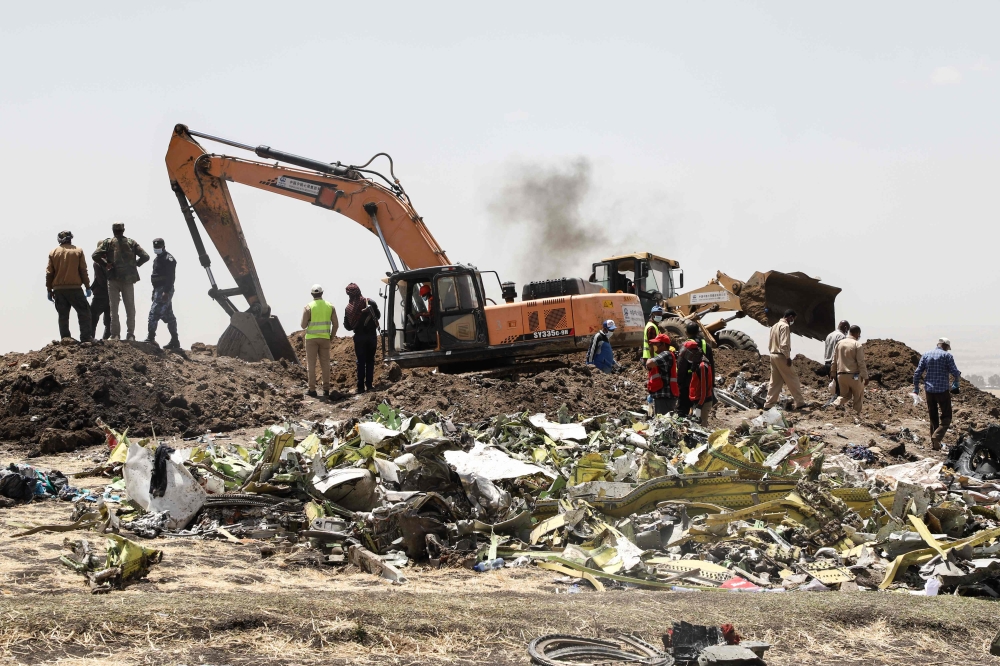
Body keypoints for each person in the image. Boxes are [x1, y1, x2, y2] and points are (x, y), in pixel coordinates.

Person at [93, 222, 149, 340]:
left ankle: (115, 335)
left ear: (113, 231)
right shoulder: (131, 242)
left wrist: (106, 264)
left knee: (114, 309)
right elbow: (145, 256)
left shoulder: (108, 243)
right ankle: (130, 334)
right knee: (130, 308)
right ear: (123, 230)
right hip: (128, 279)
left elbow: (95, 255)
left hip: (113, 279)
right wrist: (135, 264)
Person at [913, 337, 962, 450]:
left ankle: (935, 444)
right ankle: (937, 436)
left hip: (929, 391)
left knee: (933, 417)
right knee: (947, 416)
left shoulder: (926, 354)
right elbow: (955, 372)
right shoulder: (947, 356)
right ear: (945, 346)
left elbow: (917, 373)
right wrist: (957, 380)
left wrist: (916, 388)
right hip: (942, 391)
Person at [46, 230, 93, 342]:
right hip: (75, 289)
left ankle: (65, 339)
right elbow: (83, 270)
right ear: (71, 238)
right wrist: (87, 286)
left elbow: (49, 273)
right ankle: (86, 338)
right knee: (84, 312)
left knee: (63, 315)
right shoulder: (78, 251)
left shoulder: (53, 252)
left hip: (59, 290)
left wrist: (49, 289)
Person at [763, 309, 810, 410]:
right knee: (793, 378)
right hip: (781, 356)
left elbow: (770, 343)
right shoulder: (785, 326)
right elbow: (784, 344)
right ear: (790, 317)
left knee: (775, 382)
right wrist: (787, 357)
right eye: (793, 319)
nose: (793, 321)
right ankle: (800, 403)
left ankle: (768, 404)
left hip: (773, 355)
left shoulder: (774, 326)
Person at [301, 284, 339, 397]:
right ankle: (326, 389)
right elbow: (336, 324)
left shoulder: (308, 307)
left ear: (312, 294)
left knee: (311, 365)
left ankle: (312, 390)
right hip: (325, 339)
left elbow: (303, 325)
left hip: (311, 339)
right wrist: (331, 337)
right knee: (325, 364)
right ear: (322, 293)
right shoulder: (330, 306)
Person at [344, 283, 380, 394]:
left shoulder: (349, 309)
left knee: (360, 362)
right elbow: (378, 316)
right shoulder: (370, 302)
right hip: (371, 337)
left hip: (359, 338)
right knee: (370, 360)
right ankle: (369, 385)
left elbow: (348, 327)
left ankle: (360, 387)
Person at [144, 238, 180, 349]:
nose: (156, 249)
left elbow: (171, 277)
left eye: (158, 247)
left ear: (163, 246)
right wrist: (154, 292)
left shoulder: (168, 259)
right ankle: (175, 340)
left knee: (154, 313)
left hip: (164, 289)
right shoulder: (157, 259)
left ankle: (150, 338)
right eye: (155, 247)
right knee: (169, 316)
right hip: (158, 289)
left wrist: (166, 291)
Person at [676, 321, 715, 418]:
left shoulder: (685, 346)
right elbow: (711, 366)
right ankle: (696, 421)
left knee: (682, 410)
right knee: (698, 409)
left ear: (686, 332)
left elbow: (681, 366)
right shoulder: (706, 345)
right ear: (698, 332)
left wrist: (679, 383)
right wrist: (711, 384)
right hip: (702, 381)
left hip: (687, 382)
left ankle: (683, 424)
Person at [830, 325, 868, 415]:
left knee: (844, 396)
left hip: (841, 375)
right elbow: (861, 362)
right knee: (858, 397)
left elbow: (834, 360)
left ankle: (834, 404)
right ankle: (856, 415)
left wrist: (833, 372)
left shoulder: (839, 343)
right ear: (857, 333)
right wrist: (865, 376)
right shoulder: (857, 344)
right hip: (854, 376)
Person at [645, 333, 678, 415]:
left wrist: (651, 354)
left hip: (665, 397)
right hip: (662, 396)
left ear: (663, 344)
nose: (654, 346)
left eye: (656, 344)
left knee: (663, 420)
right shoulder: (663, 356)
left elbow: (649, 363)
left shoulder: (666, 354)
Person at [90, 250, 111, 340]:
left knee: (92, 317)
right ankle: (106, 339)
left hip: (100, 294)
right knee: (109, 319)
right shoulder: (111, 262)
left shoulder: (97, 263)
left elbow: (100, 280)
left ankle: (91, 338)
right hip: (111, 294)